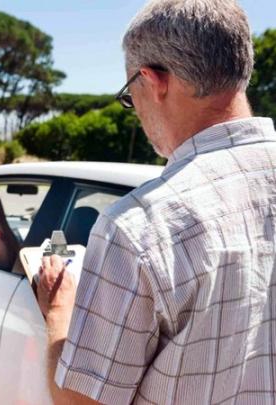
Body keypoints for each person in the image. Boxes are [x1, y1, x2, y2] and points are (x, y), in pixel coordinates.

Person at [38, 1, 276, 404]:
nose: (136, 111)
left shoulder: (139, 227)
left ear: (152, 81)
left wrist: (59, 312)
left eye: (129, 97)